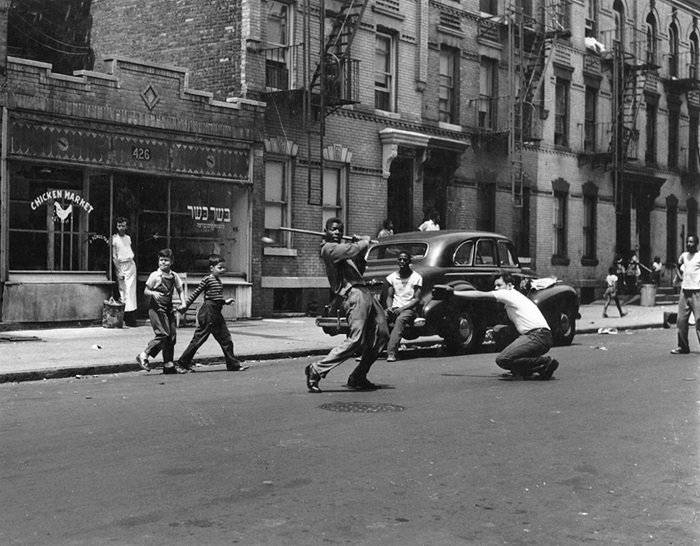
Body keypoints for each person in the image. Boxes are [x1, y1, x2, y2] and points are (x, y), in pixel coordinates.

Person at [304, 217, 389, 393]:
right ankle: (317, 369)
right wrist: (363, 242)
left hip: (365, 293)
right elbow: (354, 249)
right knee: (356, 339)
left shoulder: (344, 251)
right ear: (326, 231)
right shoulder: (328, 249)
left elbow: (359, 266)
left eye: (340, 230)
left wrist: (359, 247)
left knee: (382, 334)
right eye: (333, 229)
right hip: (353, 295)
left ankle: (358, 376)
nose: (337, 233)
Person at [432, 273, 559, 380]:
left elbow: (479, 295)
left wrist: (454, 293)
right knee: (499, 330)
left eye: (499, 285)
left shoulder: (508, 293)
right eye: (495, 285)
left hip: (537, 337)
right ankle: (525, 370)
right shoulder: (516, 298)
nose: (496, 288)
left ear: (509, 286)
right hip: (543, 337)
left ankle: (544, 362)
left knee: (502, 360)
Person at [176, 254, 249, 372]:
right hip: (208, 313)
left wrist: (225, 301)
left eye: (223, 268)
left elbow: (215, 297)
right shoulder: (207, 279)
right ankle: (182, 364)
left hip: (216, 313)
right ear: (211, 268)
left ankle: (233, 365)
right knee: (199, 339)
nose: (223, 270)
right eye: (220, 268)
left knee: (226, 339)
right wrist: (185, 306)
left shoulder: (218, 281)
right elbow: (196, 293)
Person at [136, 248, 185, 374]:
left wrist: (183, 302)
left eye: (166, 260)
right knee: (163, 334)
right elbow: (146, 291)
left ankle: (168, 365)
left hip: (169, 309)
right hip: (157, 309)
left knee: (172, 337)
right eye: (161, 260)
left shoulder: (174, 276)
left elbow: (180, 289)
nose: (163, 263)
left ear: (171, 262)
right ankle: (144, 355)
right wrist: (153, 293)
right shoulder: (155, 276)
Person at [384, 252, 422, 362]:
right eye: (400, 259)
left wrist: (403, 308)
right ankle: (367, 352)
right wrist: (389, 307)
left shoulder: (416, 277)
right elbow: (389, 296)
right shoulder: (392, 277)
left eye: (404, 260)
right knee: (380, 319)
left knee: (400, 321)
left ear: (409, 262)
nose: (402, 262)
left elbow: (416, 299)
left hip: (409, 309)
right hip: (395, 308)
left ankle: (391, 353)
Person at [671, 234, 700, 354]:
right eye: (688, 242)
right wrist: (680, 276)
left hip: (697, 292)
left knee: (699, 321)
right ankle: (683, 346)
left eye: (691, 242)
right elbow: (677, 265)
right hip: (684, 292)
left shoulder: (699, 256)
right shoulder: (684, 256)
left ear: (696, 243)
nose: (689, 244)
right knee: (681, 320)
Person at [112, 217, 138, 326]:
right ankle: (123, 318)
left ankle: (130, 318)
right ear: (116, 226)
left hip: (130, 265)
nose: (121, 228)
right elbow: (114, 256)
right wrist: (119, 271)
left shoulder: (128, 238)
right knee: (123, 290)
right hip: (121, 265)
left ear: (126, 226)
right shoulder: (114, 239)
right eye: (119, 225)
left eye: (123, 225)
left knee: (131, 291)